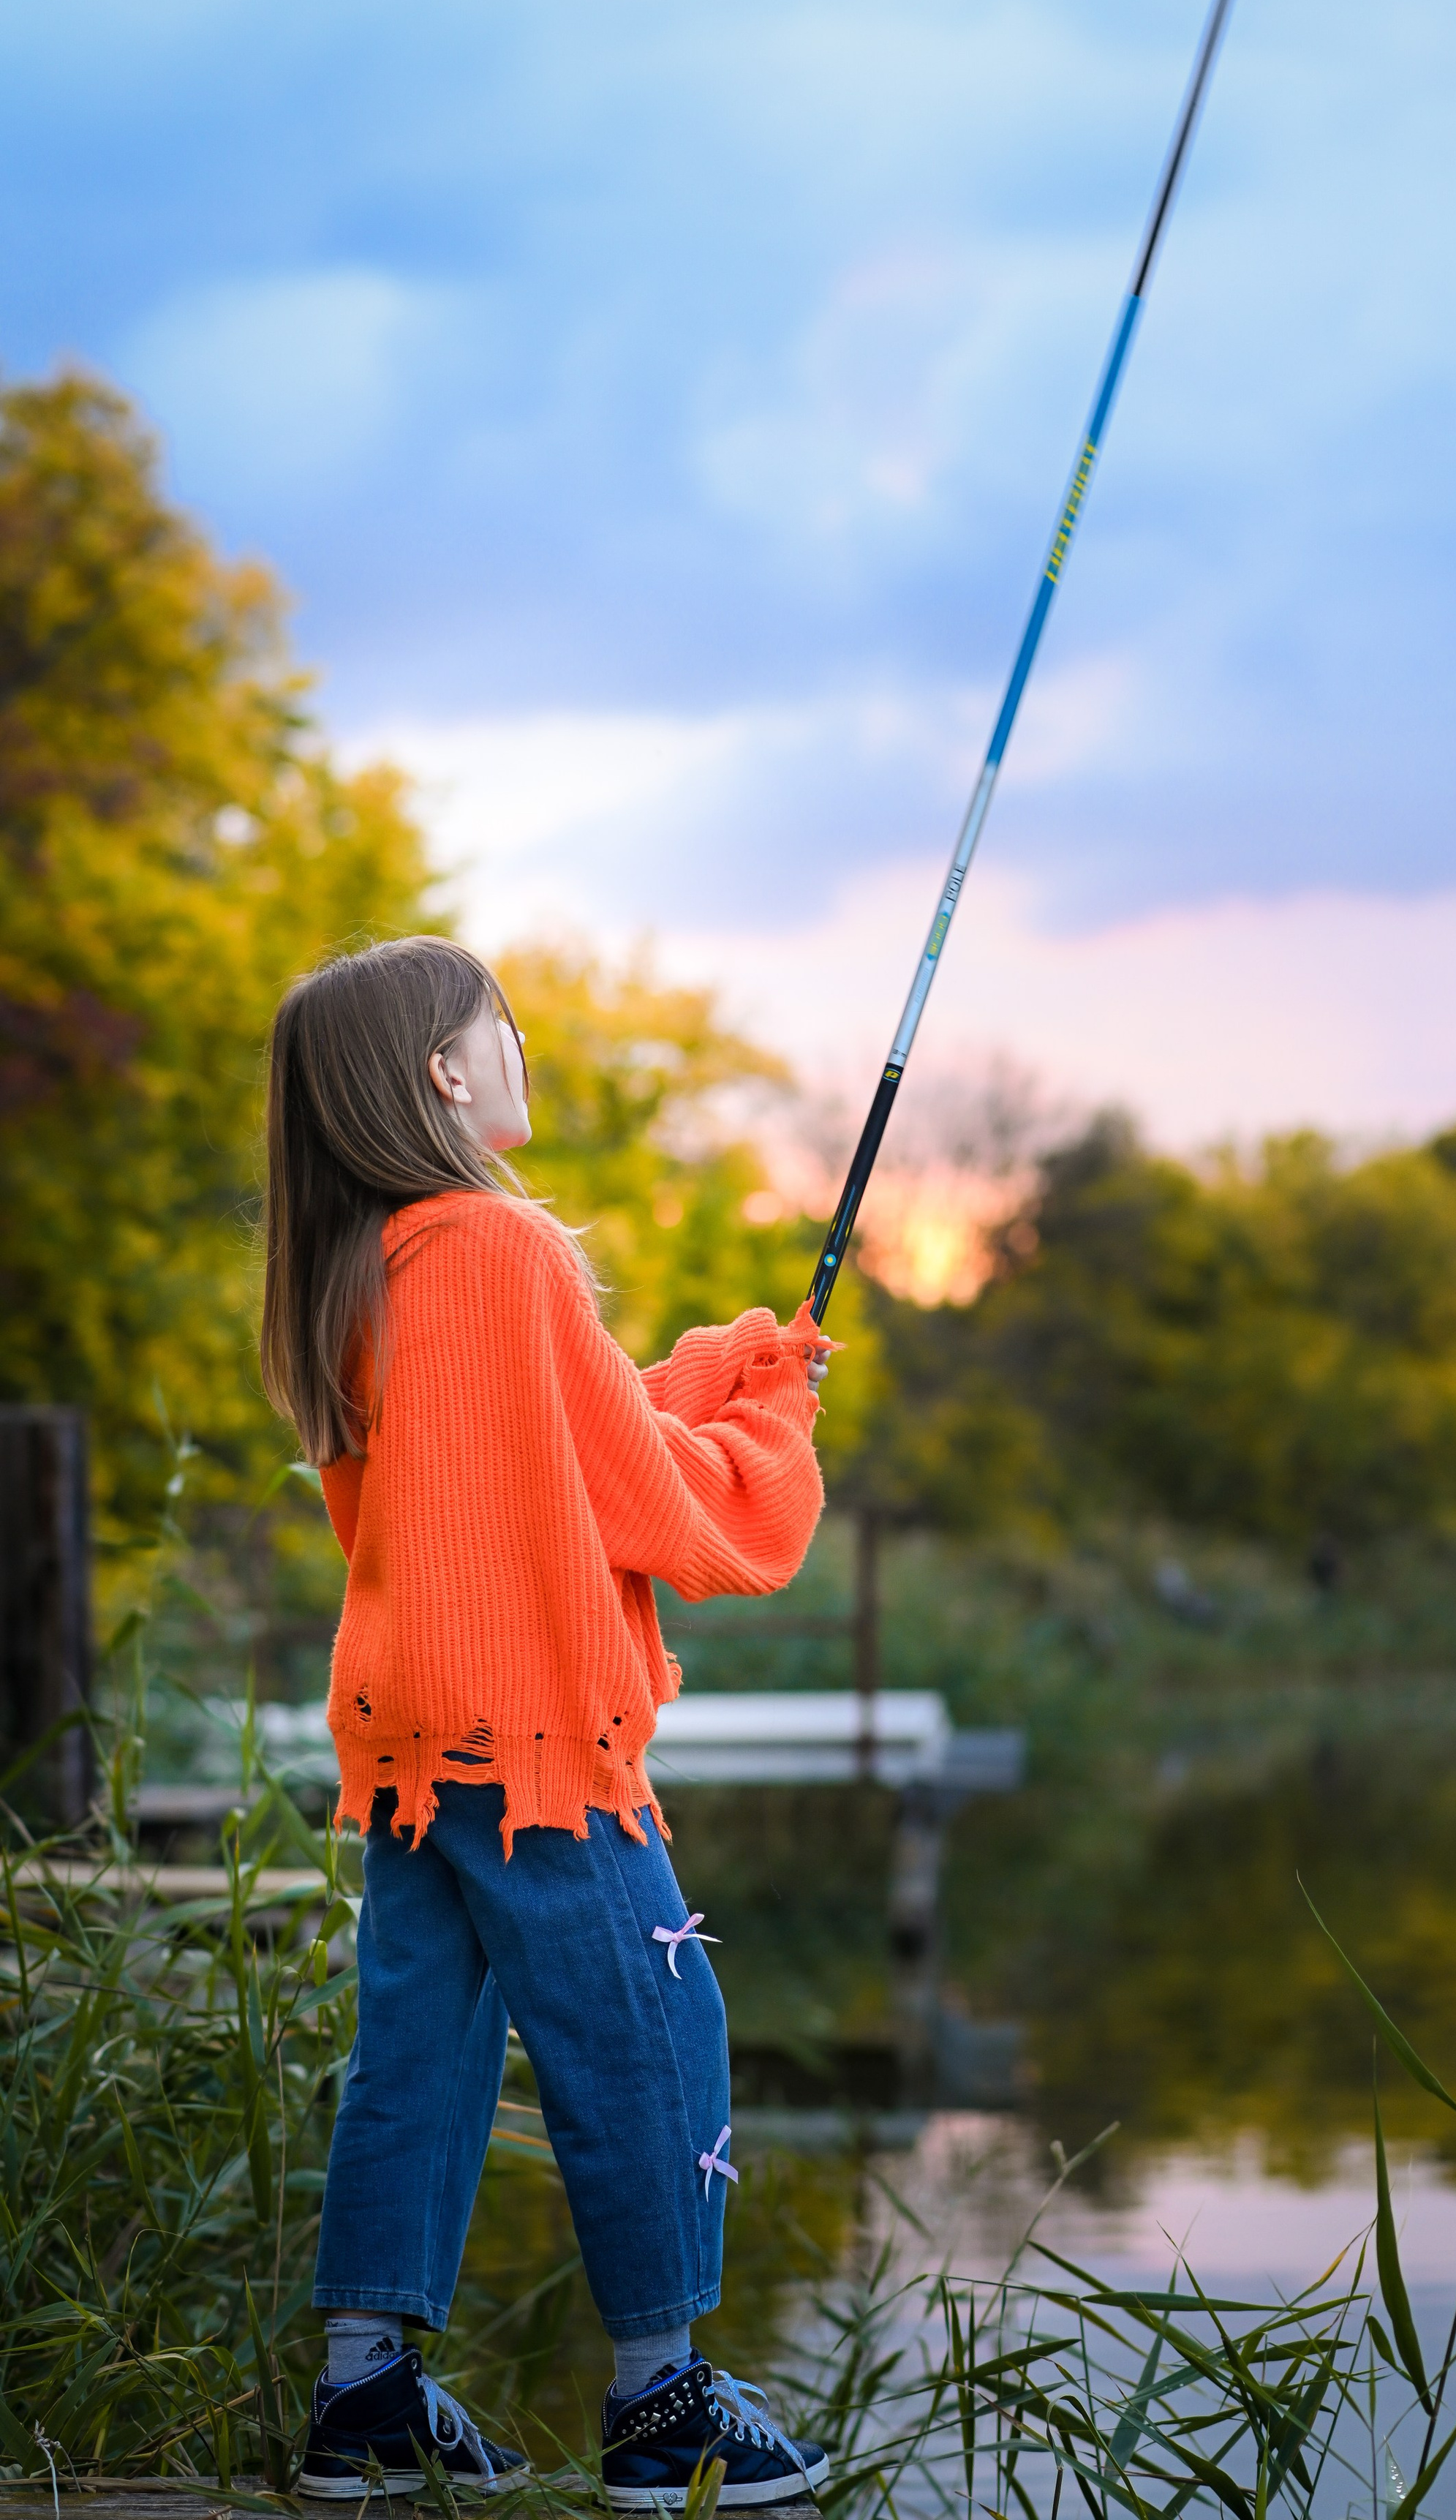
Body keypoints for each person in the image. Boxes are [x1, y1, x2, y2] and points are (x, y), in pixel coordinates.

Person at [260, 936, 836, 2505]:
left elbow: (564, 1433)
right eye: (495, 1027)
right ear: (446, 1073)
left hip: (408, 1744)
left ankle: (363, 2402)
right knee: (649, 2034)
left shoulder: (369, 1262)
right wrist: (775, 1422)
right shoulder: (499, 1248)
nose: (518, 1048)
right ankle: (664, 2406)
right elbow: (655, 1508)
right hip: (527, 1743)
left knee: (420, 2056)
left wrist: (726, 1366)